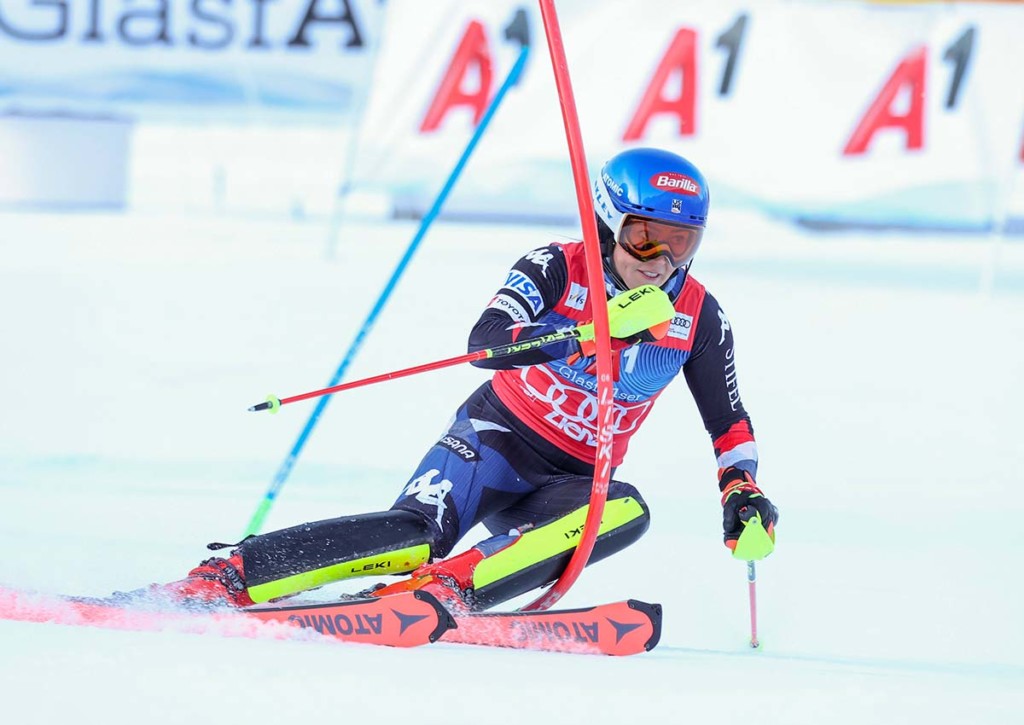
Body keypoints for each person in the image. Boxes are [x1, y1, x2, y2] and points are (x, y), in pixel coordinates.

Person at [165, 147, 779, 611]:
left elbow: (727, 420)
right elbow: (484, 347)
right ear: (607, 222)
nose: (661, 262)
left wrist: (741, 491)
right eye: (644, 239)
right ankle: (236, 574)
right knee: (415, 533)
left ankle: (441, 595)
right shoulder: (555, 268)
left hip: (573, 479)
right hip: (492, 441)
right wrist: (588, 333)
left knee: (625, 513)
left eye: (681, 242)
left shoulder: (699, 316)